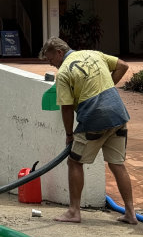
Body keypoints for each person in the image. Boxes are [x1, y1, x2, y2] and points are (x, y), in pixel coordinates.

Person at [39, 37, 137, 225]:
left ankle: (74, 211)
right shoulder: (93, 54)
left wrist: (69, 135)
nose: (52, 64)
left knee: (74, 162)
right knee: (117, 164)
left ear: (59, 53)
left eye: (51, 59)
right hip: (118, 114)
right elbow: (123, 66)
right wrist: (107, 90)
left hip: (94, 119)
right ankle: (130, 213)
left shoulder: (65, 72)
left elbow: (66, 108)